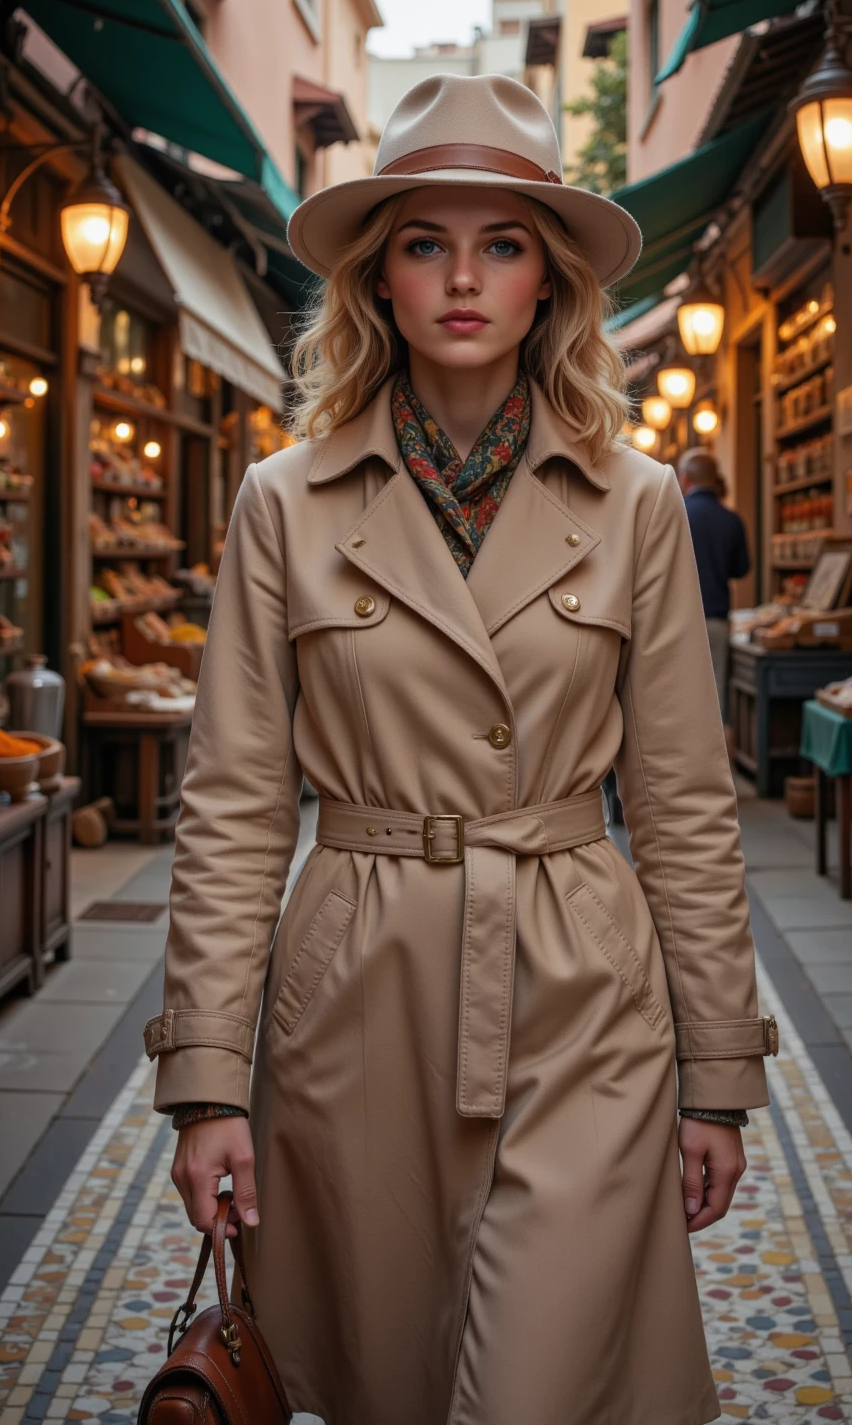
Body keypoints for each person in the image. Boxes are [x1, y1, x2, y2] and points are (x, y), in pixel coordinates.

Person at [144, 74, 780, 1425]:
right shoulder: (283, 502)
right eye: (426, 243)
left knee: (535, 1388)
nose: (464, 279)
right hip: (358, 990)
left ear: (552, 280)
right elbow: (237, 803)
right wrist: (206, 1077)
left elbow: (678, 800)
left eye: (502, 244)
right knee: (391, 1381)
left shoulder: (640, 502)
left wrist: (718, 1074)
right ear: (378, 281)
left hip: (580, 993)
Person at [678, 446, 751, 723]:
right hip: (717, 620)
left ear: (685, 479)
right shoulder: (731, 519)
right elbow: (741, 569)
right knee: (716, 690)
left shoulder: (677, 513)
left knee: (679, 689)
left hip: (679, 619)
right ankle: (714, 759)